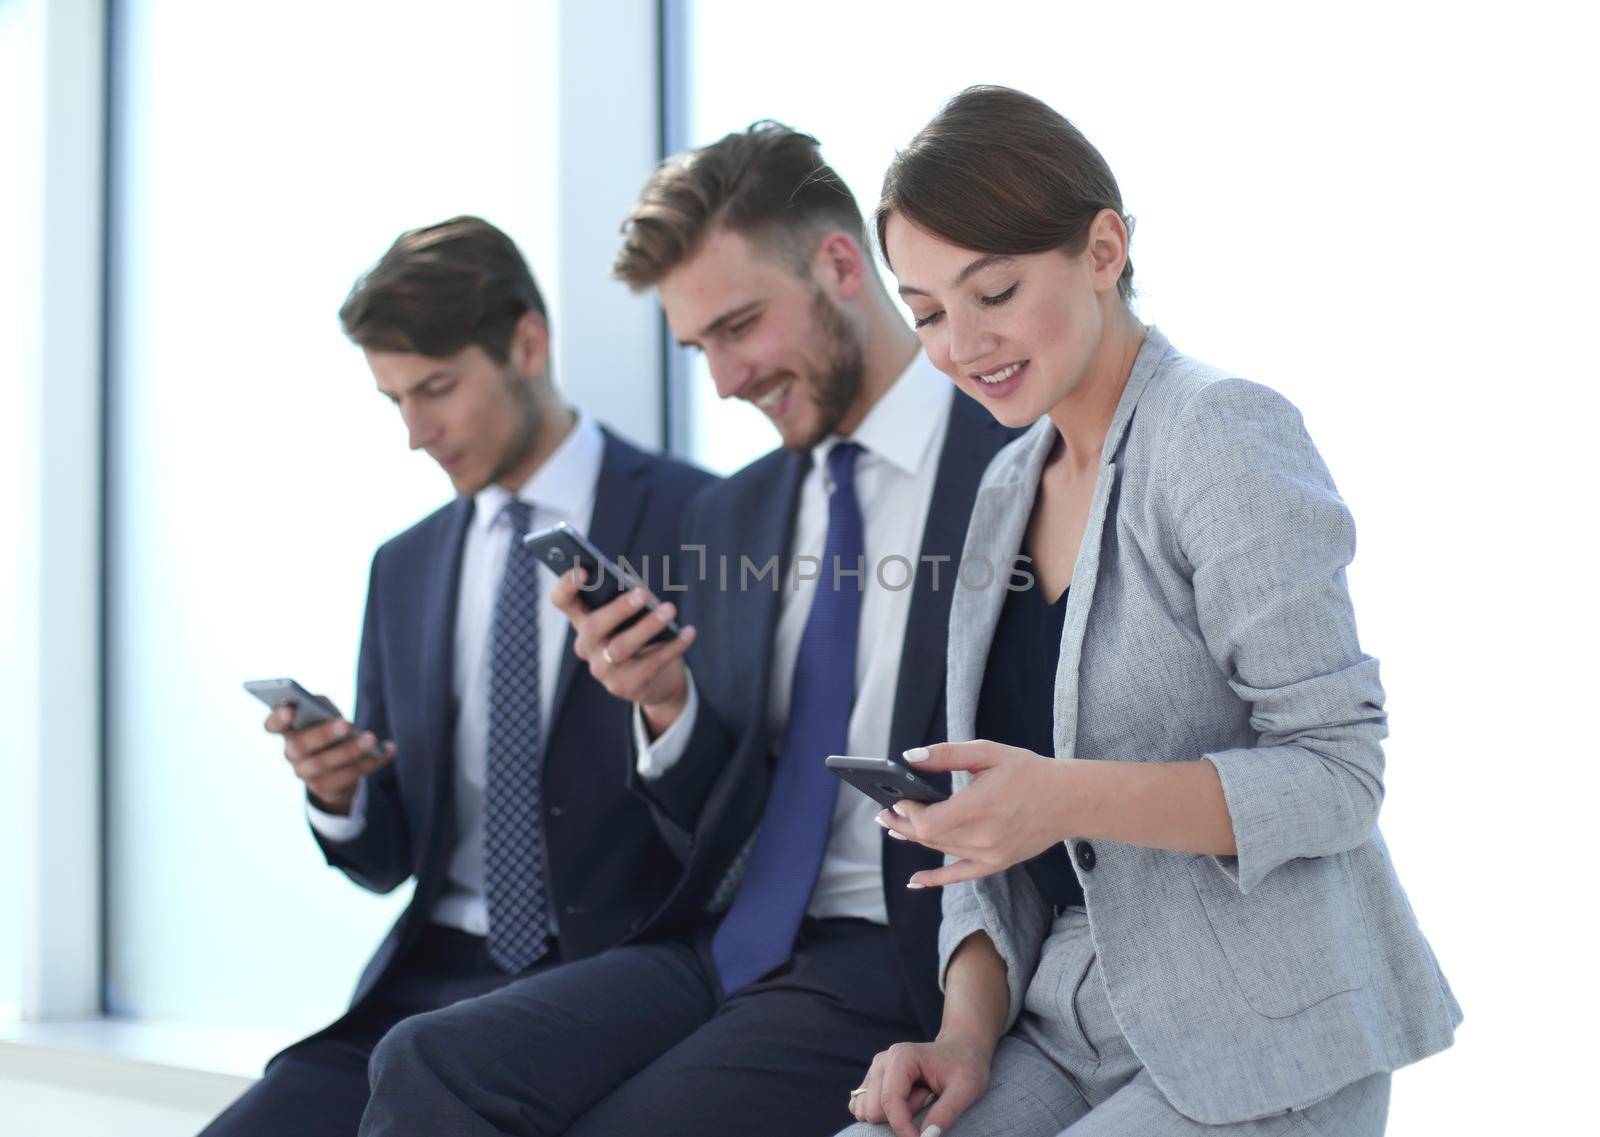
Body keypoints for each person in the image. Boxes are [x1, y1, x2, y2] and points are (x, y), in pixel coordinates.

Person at [357, 124, 1017, 1137]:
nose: (724, 378)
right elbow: (728, 807)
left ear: (841, 265)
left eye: (740, 325)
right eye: (699, 346)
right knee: (426, 1062)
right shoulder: (738, 513)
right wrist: (664, 703)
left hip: (892, 941)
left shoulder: (1016, 464)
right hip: (722, 937)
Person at [843, 86, 1461, 1137]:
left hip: (1258, 1034)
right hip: (1059, 1023)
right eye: (929, 313)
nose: (961, 343)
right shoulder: (1003, 489)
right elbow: (997, 850)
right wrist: (960, 1036)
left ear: (1103, 248)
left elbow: (1337, 776)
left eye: (992, 290)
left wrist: (1061, 798)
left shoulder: (1218, 433)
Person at [202, 216, 714, 1137]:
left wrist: (665, 705)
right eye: (393, 399)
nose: (415, 433)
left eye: (435, 389)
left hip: (603, 969)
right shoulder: (404, 567)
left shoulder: (697, 517)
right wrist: (342, 793)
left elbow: (731, 809)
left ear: (527, 341)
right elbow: (388, 855)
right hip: (426, 974)